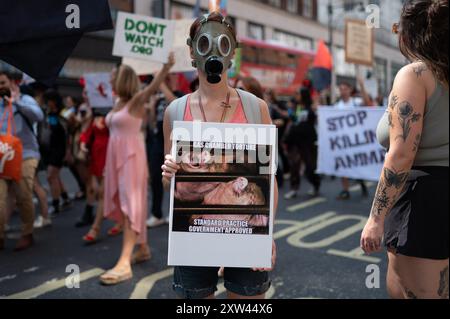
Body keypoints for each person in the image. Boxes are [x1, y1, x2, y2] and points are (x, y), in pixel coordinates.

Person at [162, 12, 277, 299]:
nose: (213, 50)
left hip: (245, 233)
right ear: (192, 49)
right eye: (204, 43)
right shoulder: (175, 112)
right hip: (193, 237)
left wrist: (266, 234)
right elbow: (171, 186)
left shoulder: (255, 107)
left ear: (231, 52)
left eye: (222, 43)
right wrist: (169, 175)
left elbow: (268, 176)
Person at [361, 0, 448, 299]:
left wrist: (376, 218)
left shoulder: (416, 75)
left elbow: (401, 154)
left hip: (423, 202)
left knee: (411, 292)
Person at [99, 56, 175, 285]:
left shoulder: (136, 101)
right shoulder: (117, 103)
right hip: (116, 158)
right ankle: (142, 248)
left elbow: (152, 88)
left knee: (130, 205)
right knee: (127, 204)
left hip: (131, 159)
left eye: (114, 76)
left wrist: (165, 67)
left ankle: (124, 262)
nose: (110, 79)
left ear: (124, 79)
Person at [0, 71, 44, 251]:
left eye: (2, 82)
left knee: (23, 194)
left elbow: (38, 116)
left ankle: (27, 233)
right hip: (3, 156)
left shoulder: (25, 100)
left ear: (11, 82)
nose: (0, 86)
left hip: (26, 153)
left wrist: (16, 102)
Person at [145, 76, 183, 228]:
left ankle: (174, 212)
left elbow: (174, 104)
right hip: (158, 141)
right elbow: (152, 122)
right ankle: (156, 213)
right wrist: (152, 106)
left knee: (175, 179)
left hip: (175, 142)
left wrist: (160, 81)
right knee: (156, 177)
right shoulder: (158, 99)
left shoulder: (180, 97)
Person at [283, 87, 321, 199]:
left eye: (298, 93)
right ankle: (294, 188)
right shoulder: (296, 107)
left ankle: (315, 184)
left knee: (310, 166)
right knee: (294, 165)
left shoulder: (311, 108)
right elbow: (294, 121)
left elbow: (313, 121)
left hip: (307, 141)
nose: (296, 96)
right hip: (295, 140)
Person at [334, 81, 369, 200]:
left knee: (357, 165)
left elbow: (368, 104)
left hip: (356, 141)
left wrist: (362, 86)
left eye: (345, 89)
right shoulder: (337, 106)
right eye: (341, 89)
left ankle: (361, 182)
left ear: (350, 90)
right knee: (343, 165)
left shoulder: (356, 102)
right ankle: (345, 190)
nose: (343, 91)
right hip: (343, 141)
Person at [41, 90, 72, 214]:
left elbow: (67, 134)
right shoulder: (49, 113)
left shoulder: (63, 114)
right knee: (55, 175)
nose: (46, 103)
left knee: (50, 176)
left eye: (48, 100)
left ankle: (56, 204)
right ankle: (65, 198)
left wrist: (68, 151)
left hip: (60, 150)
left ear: (53, 101)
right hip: (50, 149)